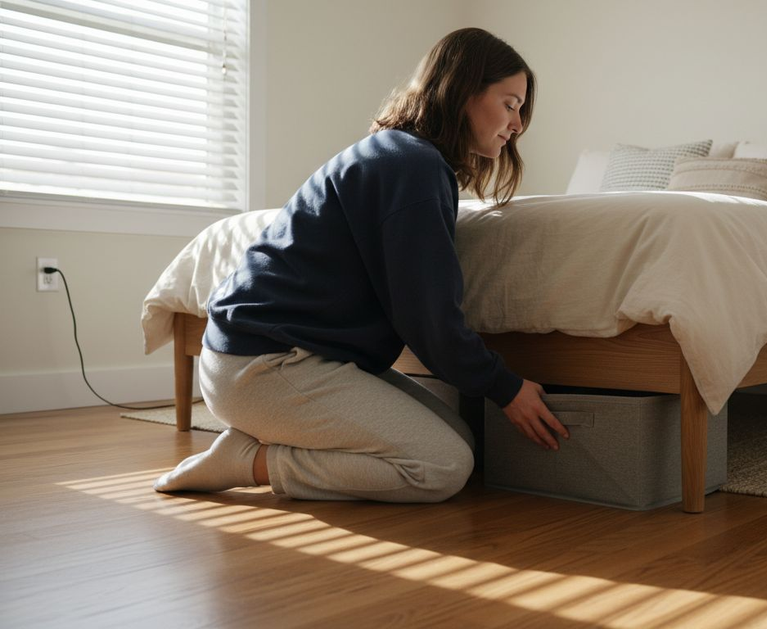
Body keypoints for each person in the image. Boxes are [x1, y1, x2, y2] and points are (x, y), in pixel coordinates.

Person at [154, 28, 568, 502]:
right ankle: (249, 461)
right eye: (510, 103)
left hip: (287, 356)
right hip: (261, 363)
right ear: (463, 91)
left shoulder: (402, 155)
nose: (518, 125)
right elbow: (428, 316)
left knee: (461, 440)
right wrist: (507, 388)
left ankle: (262, 436)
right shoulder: (412, 167)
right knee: (442, 465)